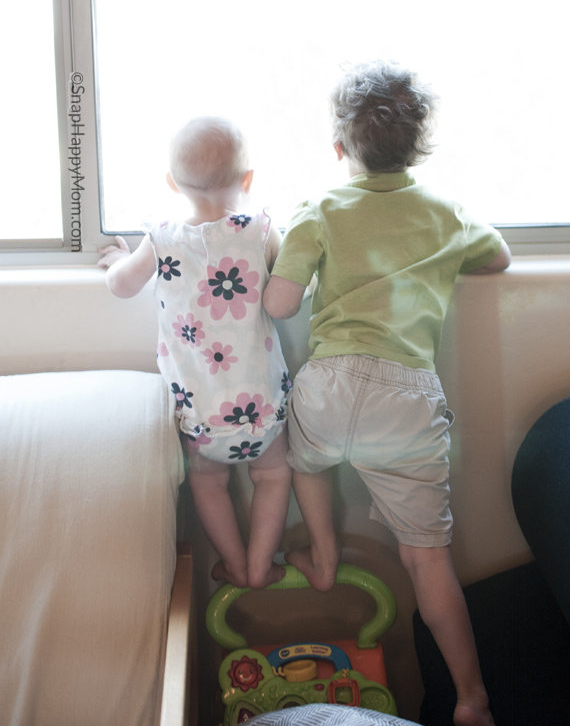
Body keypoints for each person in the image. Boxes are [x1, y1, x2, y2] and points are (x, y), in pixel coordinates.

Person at [263, 60, 510, 726]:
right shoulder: (444, 212)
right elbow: (499, 259)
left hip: (332, 378)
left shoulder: (320, 208)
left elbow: (281, 305)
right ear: (419, 145)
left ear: (341, 147)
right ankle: (470, 697)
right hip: (406, 394)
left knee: (302, 460)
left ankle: (323, 554)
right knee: (428, 557)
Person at [99, 116, 291, 590]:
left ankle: (235, 564)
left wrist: (113, 263)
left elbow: (122, 286)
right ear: (247, 180)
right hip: (263, 409)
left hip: (200, 414)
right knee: (273, 477)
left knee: (207, 484)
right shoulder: (260, 229)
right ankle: (261, 563)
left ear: (172, 183)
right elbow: (289, 279)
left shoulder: (163, 237)